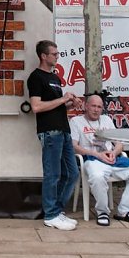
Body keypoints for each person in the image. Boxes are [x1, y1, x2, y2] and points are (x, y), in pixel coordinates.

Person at [27, 40, 80, 231]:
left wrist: (70, 104)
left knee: (72, 173)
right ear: (43, 56)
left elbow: (56, 105)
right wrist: (63, 98)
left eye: (57, 53)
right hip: (49, 132)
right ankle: (50, 215)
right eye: (54, 54)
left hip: (64, 130)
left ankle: (57, 211)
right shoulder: (36, 77)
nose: (57, 56)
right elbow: (37, 107)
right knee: (53, 174)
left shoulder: (56, 78)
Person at [70, 94, 129, 226]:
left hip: (112, 159)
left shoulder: (107, 120)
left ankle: (124, 211)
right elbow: (74, 146)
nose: (96, 110)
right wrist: (97, 155)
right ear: (86, 106)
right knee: (97, 176)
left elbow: (119, 143)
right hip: (92, 159)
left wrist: (114, 153)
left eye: (99, 107)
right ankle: (102, 211)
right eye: (93, 106)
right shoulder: (76, 121)